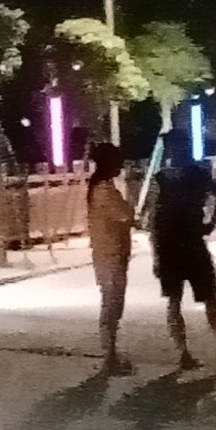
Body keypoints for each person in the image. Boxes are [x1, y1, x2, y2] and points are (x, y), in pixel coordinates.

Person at [151, 156, 216, 375]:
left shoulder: (161, 178)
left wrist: (156, 255)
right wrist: (211, 222)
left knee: (174, 303)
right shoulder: (198, 174)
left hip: (169, 248)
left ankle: (184, 355)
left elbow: (154, 218)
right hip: (192, 246)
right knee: (210, 304)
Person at [85, 141, 135, 375]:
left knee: (113, 304)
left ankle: (111, 354)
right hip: (110, 254)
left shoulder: (102, 187)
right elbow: (125, 214)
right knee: (112, 304)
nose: (121, 166)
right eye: (117, 162)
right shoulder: (104, 190)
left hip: (111, 252)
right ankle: (109, 357)